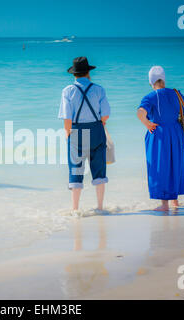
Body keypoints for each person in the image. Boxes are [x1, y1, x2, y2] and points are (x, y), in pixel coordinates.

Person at [137, 66, 184, 211]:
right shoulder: (177, 94)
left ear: (151, 81)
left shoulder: (150, 97)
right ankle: (175, 202)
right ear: (163, 79)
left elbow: (140, 113)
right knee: (176, 165)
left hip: (159, 134)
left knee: (160, 167)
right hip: (176, 133)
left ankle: (164, 205)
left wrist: (148, 124)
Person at [58, 57, 111, 212]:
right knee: (99, 170)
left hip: (77, 132)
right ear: (88, 72)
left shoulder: (67, 91)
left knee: (76, 169)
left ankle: (75, 210)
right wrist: (99, 123)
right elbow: (105, 115)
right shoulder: (99, 89)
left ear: (74, 74)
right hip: (96, 130)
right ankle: (100, 207)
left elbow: (67, 118)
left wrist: (68, 134)